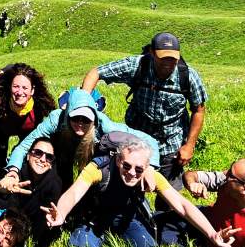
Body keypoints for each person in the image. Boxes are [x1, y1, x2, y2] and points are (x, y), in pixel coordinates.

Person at [43, 131, 237, 247]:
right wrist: (60, 214)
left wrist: (212, 234)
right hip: (95, 219)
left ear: (147, 167)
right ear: (118, 160)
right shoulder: (99, 168)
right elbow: (75, 193)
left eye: (138, 169)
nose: (131, 173)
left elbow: (183, 206)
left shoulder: (151, 175)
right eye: (126, 166)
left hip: (128, 218)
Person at [81, 32, 207, 193]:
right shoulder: (137, 66)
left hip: (171, 143)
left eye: (173, 58)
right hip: (137, 141)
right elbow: (96, 73)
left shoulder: (188, 76)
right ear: (152, 53)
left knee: (169, 194)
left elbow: (199, 110)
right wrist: (83, 104)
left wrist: (189, 145)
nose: (169, 63)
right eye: (163, 58)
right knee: (128, 189)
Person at [6, 87, 160, 189]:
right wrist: (13, 171)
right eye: (75, 118)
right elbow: (24, 146)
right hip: (62, 151)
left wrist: (150, 167)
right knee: (60, 176)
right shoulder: (55, 120)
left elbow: (148, 140)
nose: (80, 123)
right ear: (67, 116)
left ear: (94, 119)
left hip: (92, 156)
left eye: (86, 120)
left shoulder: (105, 126)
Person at [0, 63, 55, 171]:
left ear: (32, 90)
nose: (20, 92)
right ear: (10, 87)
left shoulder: (38, 107)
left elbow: (38, 136)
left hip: (26, 132)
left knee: (24, 160)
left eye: (25, 88)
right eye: (16, 86)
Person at [3, 138, 63, 247]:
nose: (42, 159)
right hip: (13, 219)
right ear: (27, 155)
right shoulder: (16, 176)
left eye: (49, 157)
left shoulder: (54, 183)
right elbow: (9, 208)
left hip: (36, 225)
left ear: (51, 164)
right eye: (38, 153)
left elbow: (45, 216)